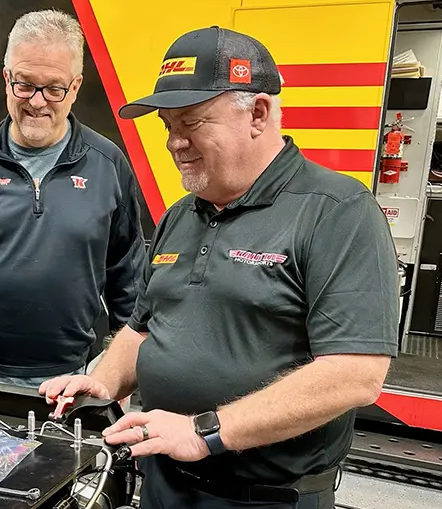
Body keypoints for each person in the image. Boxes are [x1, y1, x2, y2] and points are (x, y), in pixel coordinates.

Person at [40, 26, 399, 509]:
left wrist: (206, 432)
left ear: (258, 112)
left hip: (264, 499)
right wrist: (103, 381)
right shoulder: (180, 215)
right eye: (168, 126)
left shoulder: (337, 210)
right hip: (163, 483)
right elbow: (144, 329)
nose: (174, 143)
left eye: (191, 122)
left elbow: (355, 374)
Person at [0, 9, 146, 388]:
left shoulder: (108, 164)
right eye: (25, 84)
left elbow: (128, 274)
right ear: (7, 79)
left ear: (75, 87)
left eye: (54, 88)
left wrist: (119, 372)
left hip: (78, 378)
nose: (37, 102)